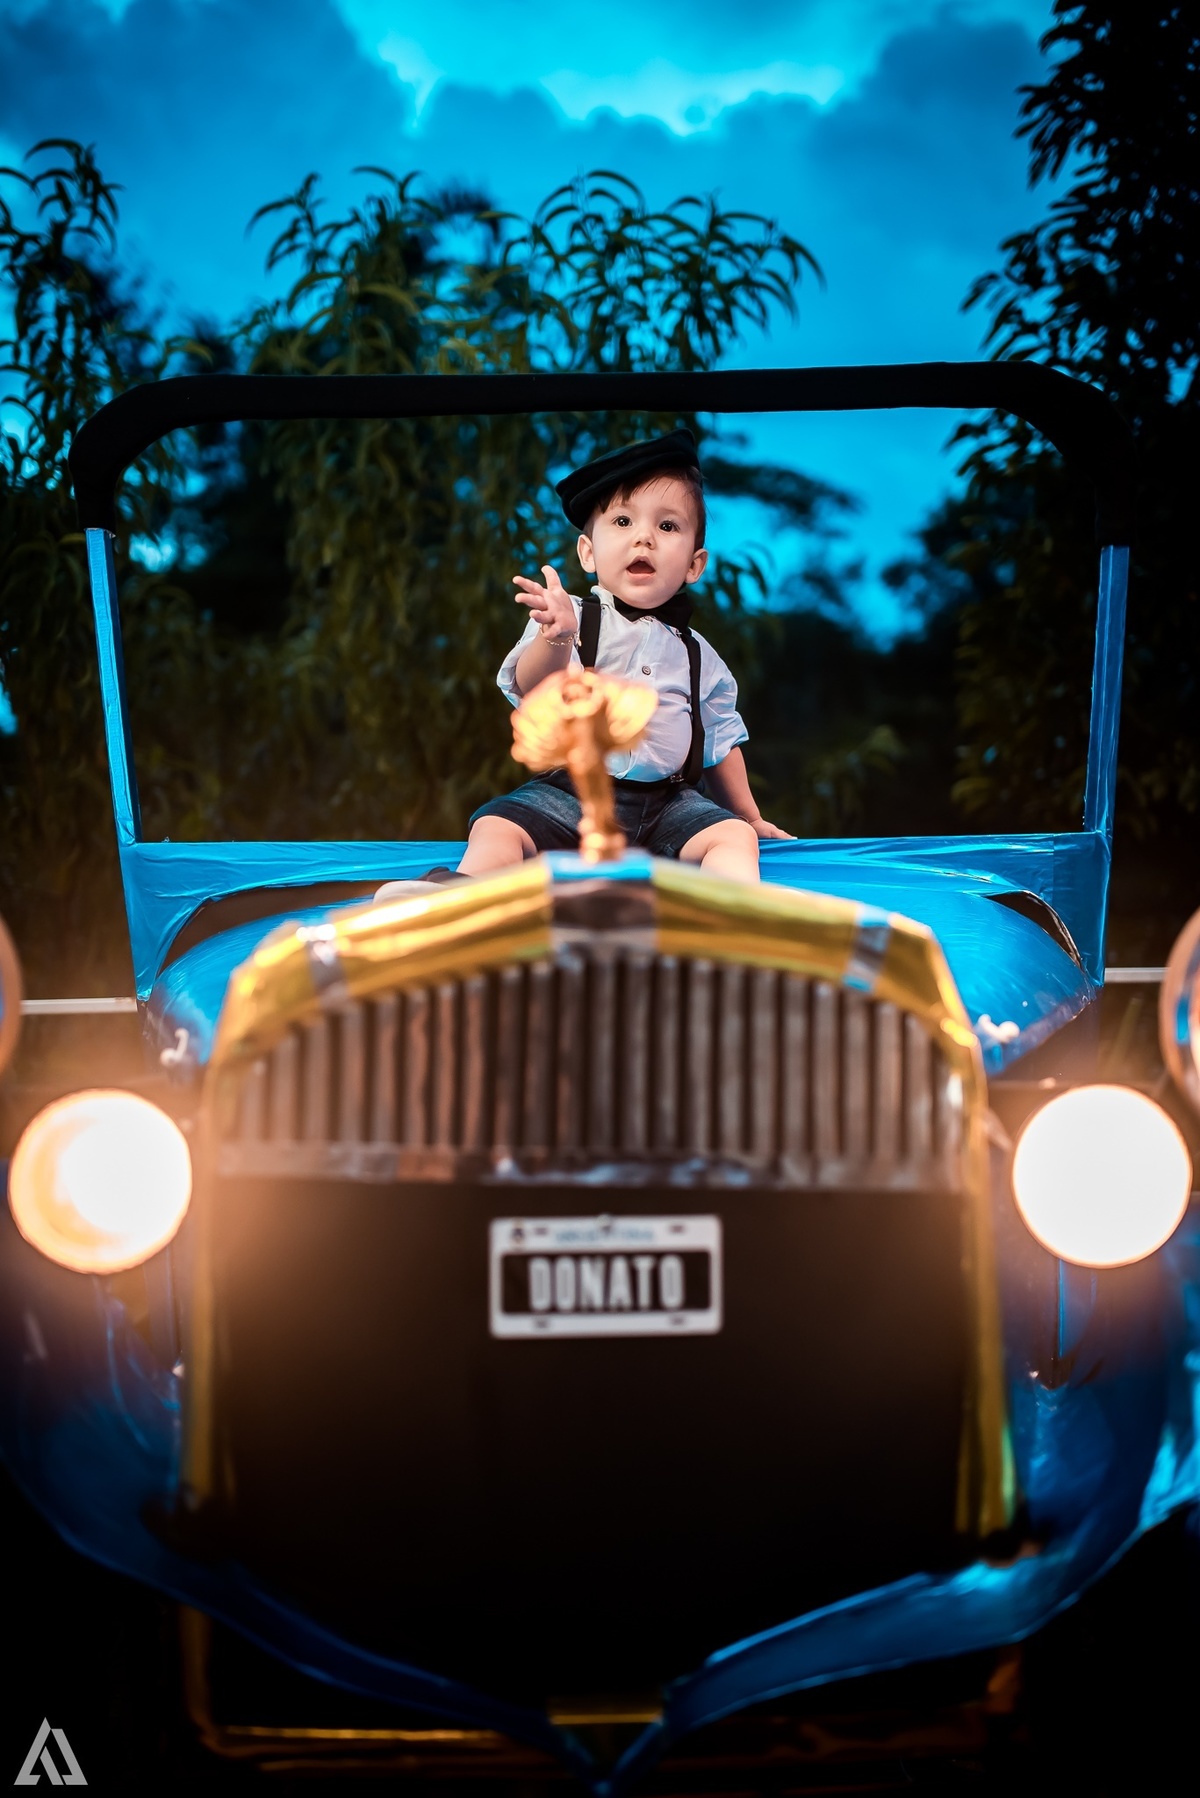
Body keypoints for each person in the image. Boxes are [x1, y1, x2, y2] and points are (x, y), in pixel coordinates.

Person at [459, 429, 791, 883]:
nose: (644, 539)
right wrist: (556, 637)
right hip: (571, 795)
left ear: (694, 565)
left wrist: (748, 817)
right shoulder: (569, 616)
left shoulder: (699, 654)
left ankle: (730, 912)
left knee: (733, 837)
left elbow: (720, 741)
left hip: (668, 804)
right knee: (498, 824)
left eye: (667, 526)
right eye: (623, 522)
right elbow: (535, 687)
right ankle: (458, 897)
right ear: (588, 552)